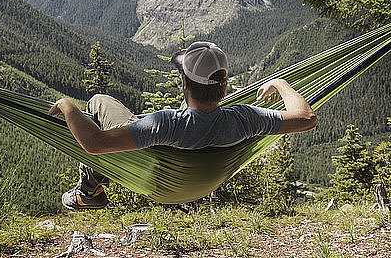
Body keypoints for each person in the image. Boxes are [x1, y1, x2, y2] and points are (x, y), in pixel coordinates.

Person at [49, 41, 317, 210]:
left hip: (158, 184)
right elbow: (306, 118)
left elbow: (95, 144)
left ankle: (90, 190)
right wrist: (280, 83)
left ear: (185, 84)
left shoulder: (166, 124)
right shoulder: (245, 119)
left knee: (99, 101)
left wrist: (67, 104)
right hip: (202, 186)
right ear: (224, 85)